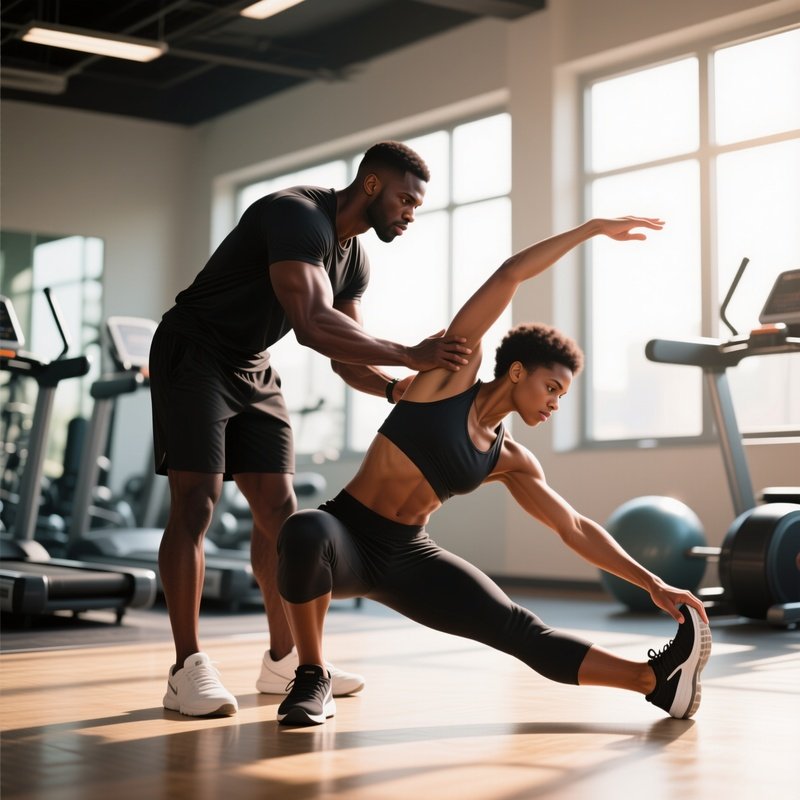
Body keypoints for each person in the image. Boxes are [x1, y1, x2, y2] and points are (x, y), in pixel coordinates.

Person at [274, 215, 713, 727]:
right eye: (552, 387)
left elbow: (573, 528)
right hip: (346, 535)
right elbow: (509, 276)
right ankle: (312, 675)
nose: (554, 403)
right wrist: (591, 229)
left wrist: (653, 584)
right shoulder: (449, 376)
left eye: (563, 397)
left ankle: (655, 684)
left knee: (519, 629)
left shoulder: (511, 459)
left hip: (407, 557)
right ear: (518, 371)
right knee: (303, 528)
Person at [150, 141, 473, 717]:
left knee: (280, 510)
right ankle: (185, 668)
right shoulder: (297, 215)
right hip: (194, 351)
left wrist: (394, 388)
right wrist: (409, 354)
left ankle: (285, 660)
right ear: (371, 186)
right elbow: (310, 324)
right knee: (196, 501)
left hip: (251, 364)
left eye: (418, 206)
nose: (409, 214)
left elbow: (345, 356)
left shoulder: (355, 259)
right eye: (405, 199)